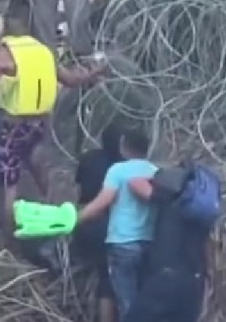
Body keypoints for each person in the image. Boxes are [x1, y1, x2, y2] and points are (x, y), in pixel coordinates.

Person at [0, 15, 105, 249]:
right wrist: (93, 73)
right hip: (36, 124)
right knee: (38, 166)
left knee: (9, 184)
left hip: (9, 125)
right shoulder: (42, 53)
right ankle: (53, 219)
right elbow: (72, 80)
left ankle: (9, 239)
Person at [75, 129, 158, 319]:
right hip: (149, 243)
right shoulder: (155, 172)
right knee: (142, 297)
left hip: (122, 242)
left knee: (126, 301)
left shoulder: (118, 171)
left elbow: (102, 202)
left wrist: (75, 219)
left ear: (124, 148)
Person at [125, 165, 214, 322]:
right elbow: (207, 245)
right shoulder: (202, 213)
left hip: (165, 278)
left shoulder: (170, 197)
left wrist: (155, 179)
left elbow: (134, 182)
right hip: (193, 283)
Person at [73, 125, 125, 322]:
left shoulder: (88, 158)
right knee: (108, 279)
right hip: (109, 227)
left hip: (85, 224)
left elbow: (78, 191)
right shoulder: (123, 168)